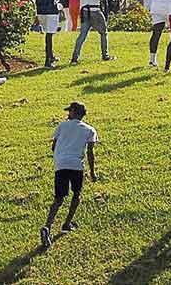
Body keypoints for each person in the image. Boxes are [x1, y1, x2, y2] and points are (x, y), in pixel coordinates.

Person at [40, 101, 98, 249]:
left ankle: (47, 226)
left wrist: (61, 156)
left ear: (73, 112)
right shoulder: (90, 130)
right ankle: (66, 224)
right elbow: (90, 153)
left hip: (60, 165)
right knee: (76, 194)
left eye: (69, 111)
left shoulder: (61, 126)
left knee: (58, 199)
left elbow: (53, 146)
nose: (67, 114)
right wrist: (92, 172)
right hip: (76, 166)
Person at [69, 0, 112, 64]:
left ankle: (75, 57)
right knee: (103, 32)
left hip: (84, 10)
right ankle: (105, 55)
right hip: (95, 9)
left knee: (82, 35)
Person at [30, 0, 64, 68]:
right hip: (52, 10)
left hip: (40, 10)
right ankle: (48, 60)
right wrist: (60, 4)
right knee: (49, 35)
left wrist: (37, 1)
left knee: (48, 33)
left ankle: (51, 56)